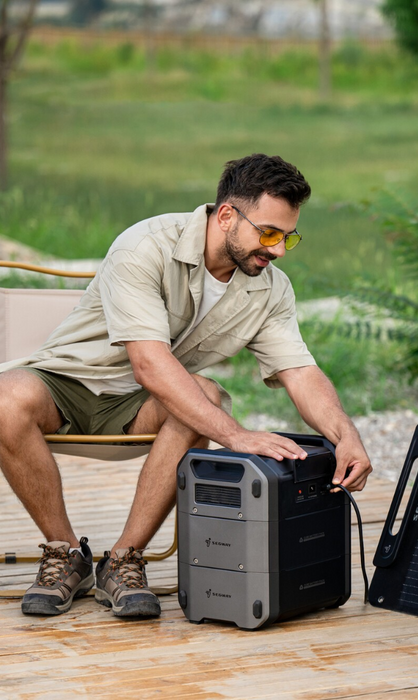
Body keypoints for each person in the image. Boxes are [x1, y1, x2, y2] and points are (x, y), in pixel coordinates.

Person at [0, 153, 372, 619]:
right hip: (69, 382)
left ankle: (123, 560)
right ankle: (65, 554)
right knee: (5, 398)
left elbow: (300, 371)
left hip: (142, 406)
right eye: (269, 234)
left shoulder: (270, 289)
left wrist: (346, 435)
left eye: (288, 237)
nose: (277, 250)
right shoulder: (145, 246)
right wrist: (235, 436)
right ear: (227, 215)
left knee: (205, 397)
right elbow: (150, 365)